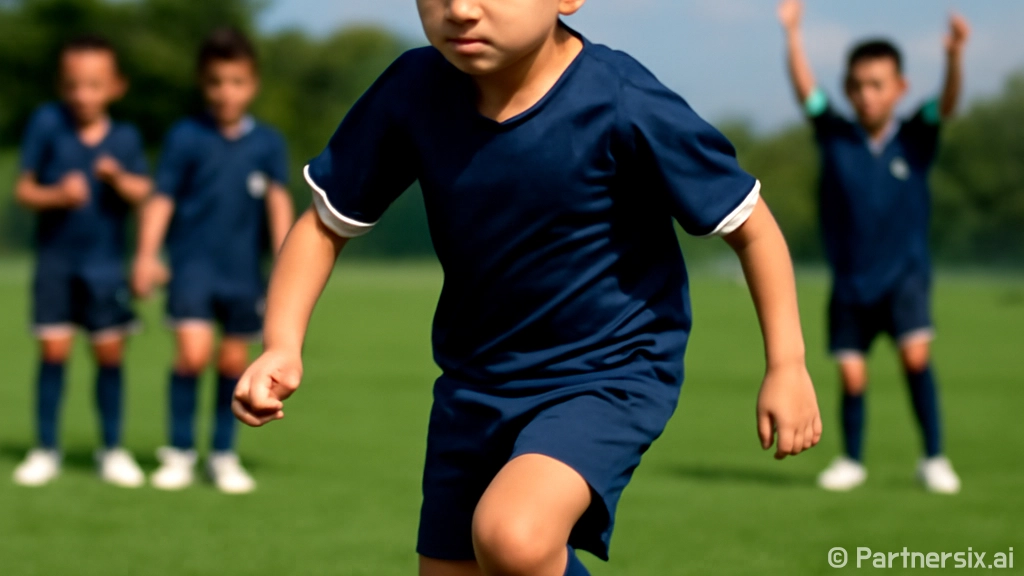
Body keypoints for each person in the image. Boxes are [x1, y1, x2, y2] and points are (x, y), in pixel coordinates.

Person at [235, 1, 821, 574]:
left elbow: (753, 228)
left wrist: (787, 364)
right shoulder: (412, 89)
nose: (460, 9)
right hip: (475, 383)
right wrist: (282, 344)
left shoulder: (622, 99)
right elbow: (323, 224)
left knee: (513, 537)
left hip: (607, 373)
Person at [778, 0, 969, 494]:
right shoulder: (836, 136)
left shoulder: (915, 137)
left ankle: (933, 458)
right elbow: (808, 94)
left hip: (905, 278)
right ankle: (851, 460)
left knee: (915, 362)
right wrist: (793, 34)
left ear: (899, 88)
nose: (866, 95)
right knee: (852, 378)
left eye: (877, 85)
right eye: (858, 86)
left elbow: (946, 104)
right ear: (848, 89)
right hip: (851, 282)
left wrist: (953, 57)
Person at [133, 27, 294, 494]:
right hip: (192, 269)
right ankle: (180, 452)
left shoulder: (268, 143)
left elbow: (278, 205)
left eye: (237, 81)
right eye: (217, 82)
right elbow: (161, 200)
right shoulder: (185, 136)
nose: (227, 92)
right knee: (191, 356)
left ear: (253, 84)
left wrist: (287, 265)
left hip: (243, 272)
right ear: (204, 85)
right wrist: (146, 255)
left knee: (232, 364)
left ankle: (223, 455)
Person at [12, 36, 152, 488]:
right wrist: (57, 194)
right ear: (61, 85)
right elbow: (23, 190)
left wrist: (117, 178)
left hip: (105, 266)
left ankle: (112, 450)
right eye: (73, 85)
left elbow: (144, 194)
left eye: (93, 85)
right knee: (53, 353)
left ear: (115, 87)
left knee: (108, 356)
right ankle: (45, 449)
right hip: (55, 262)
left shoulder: (126, 138)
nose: (82, 95)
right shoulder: (46, 124)